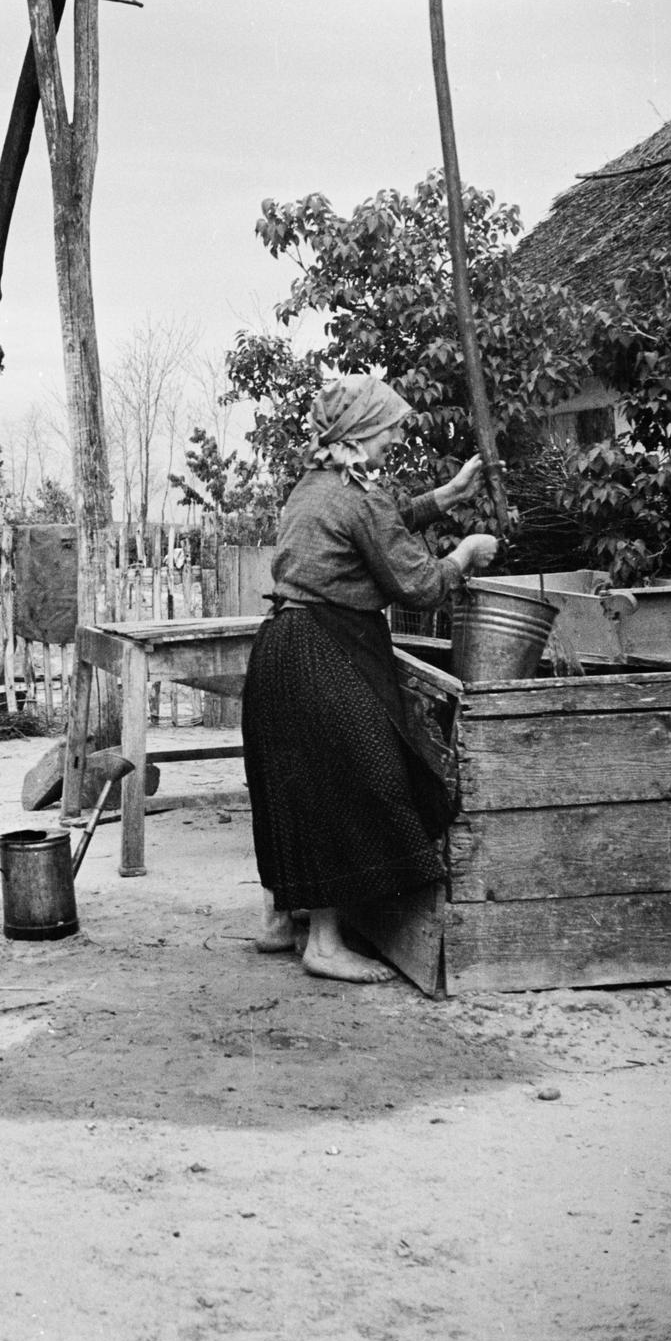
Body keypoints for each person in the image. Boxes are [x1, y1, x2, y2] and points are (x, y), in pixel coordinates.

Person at [241, 374, 497, 983]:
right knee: (350, 786)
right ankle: (325, 945)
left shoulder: (314, 485)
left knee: (292, 788)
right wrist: (464, 555)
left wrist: (446, 495)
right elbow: (419, 584)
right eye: (389, 430)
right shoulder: (358, 496)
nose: (395, 439)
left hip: (281, 650)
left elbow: (380, 526)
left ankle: (282, 921)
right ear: (359, 434)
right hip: (324, 652)